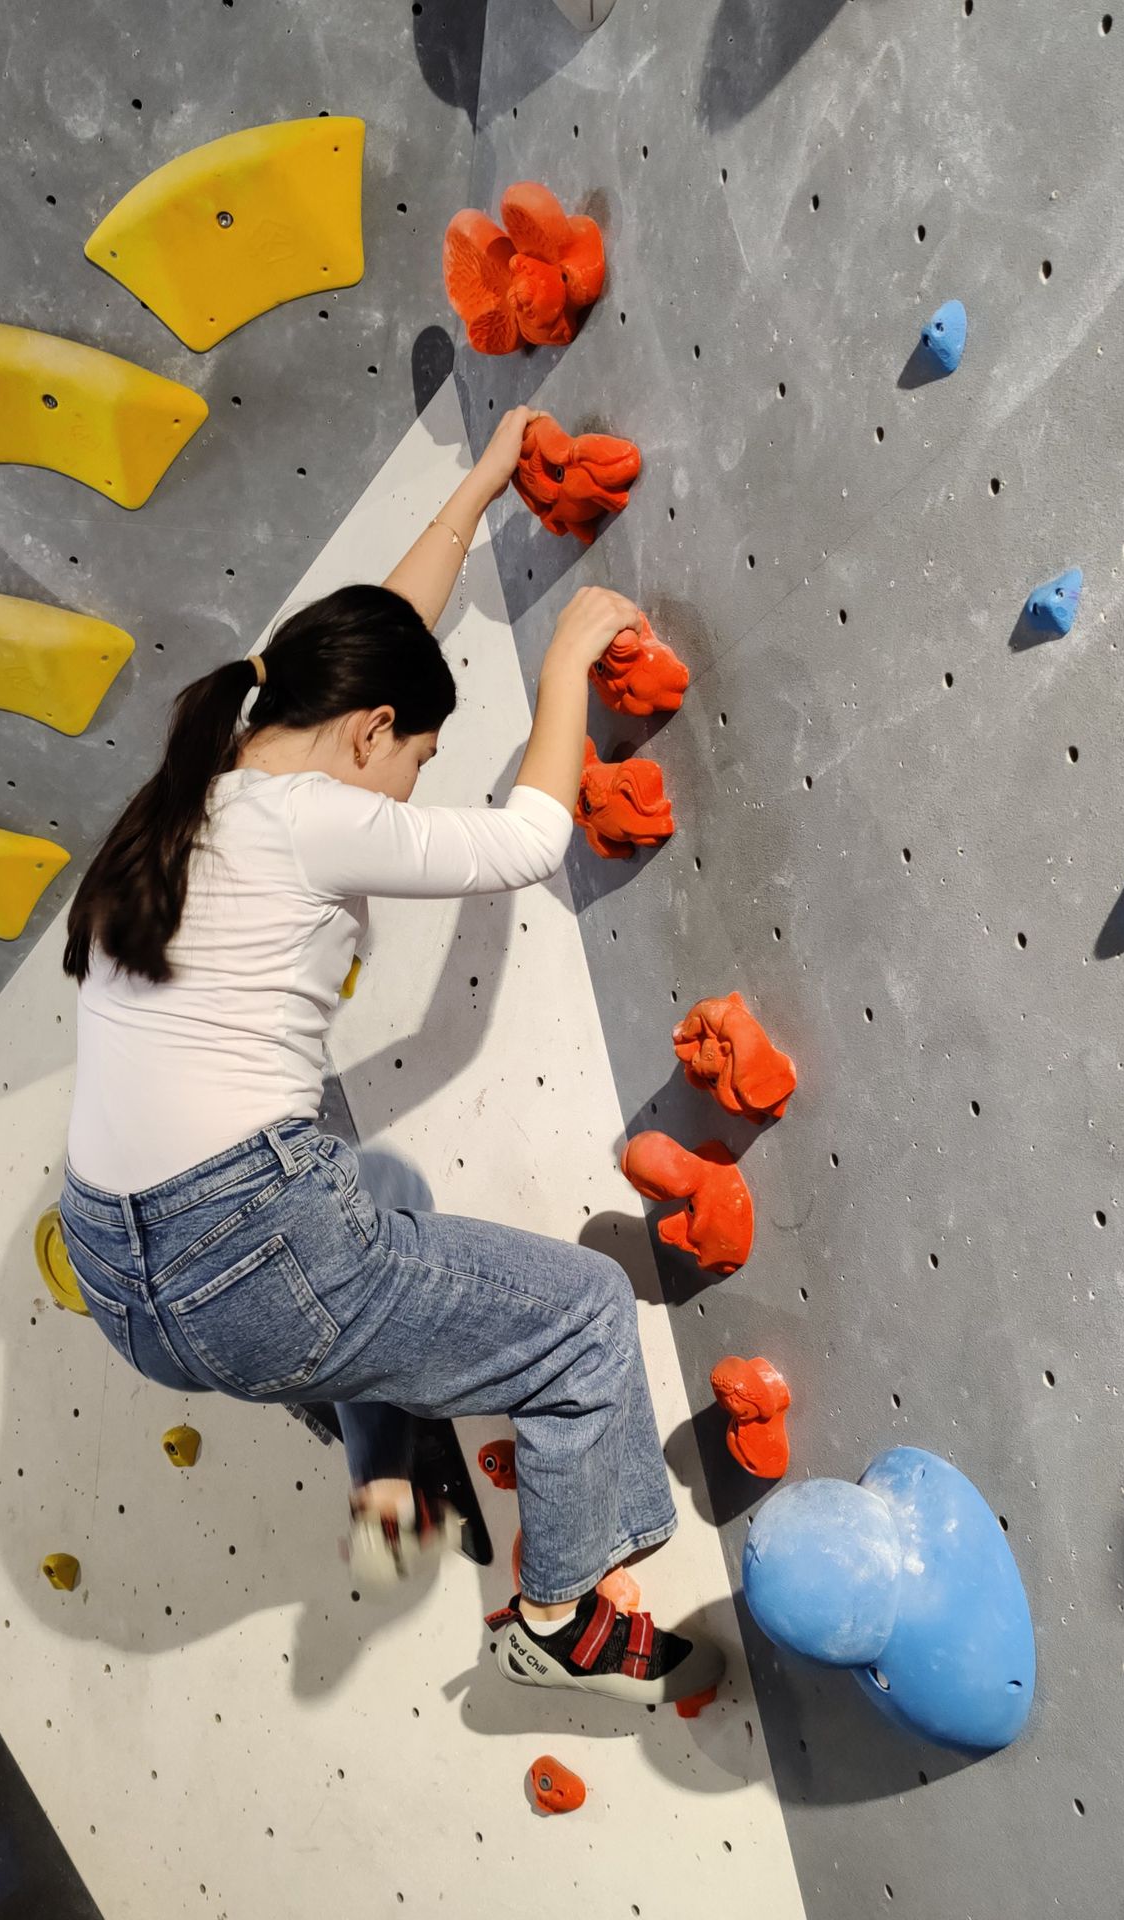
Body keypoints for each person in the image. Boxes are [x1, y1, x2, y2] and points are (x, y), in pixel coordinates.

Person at [58, 405, 721, 1706]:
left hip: (125, 1283)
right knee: (581, 1322)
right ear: (367, 732)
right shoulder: (309, 816)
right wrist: (567, 671)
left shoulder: (198, 782)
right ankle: (561, 1618)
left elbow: (374, 637)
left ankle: (385, 1484)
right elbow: (528, 841)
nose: (411, 784)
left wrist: (477, 491)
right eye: (415, 756)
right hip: (248, 1270)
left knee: (389, 1189)